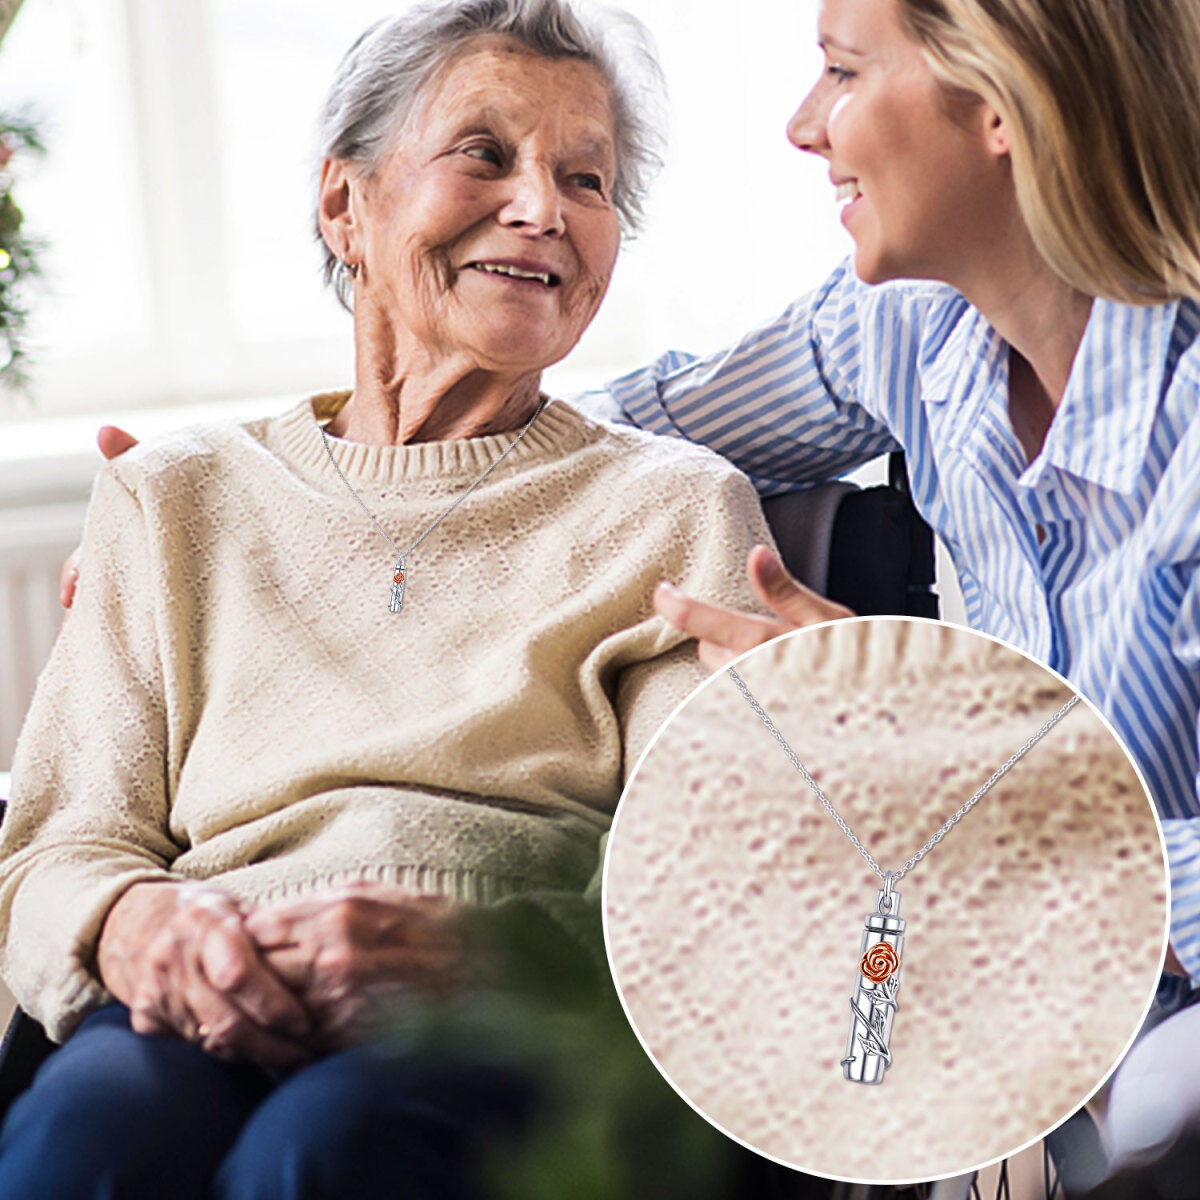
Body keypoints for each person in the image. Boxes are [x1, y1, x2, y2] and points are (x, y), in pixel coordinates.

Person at [0, 2, 775, 1196]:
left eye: (588, 179)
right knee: (85, 1140)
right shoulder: (175, 495)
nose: (542, 208)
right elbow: (62, 840)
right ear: (342, 206)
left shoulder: (676, 511)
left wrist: (482, 955)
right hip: (209, 983)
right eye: (485, 154)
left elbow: (711, 878)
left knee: (323, 1154)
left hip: (507, 1012)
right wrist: (136, 927)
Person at [594, 0, 1200, 991]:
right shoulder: (914, 322)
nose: (802, 125)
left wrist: (921, 751)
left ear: (1003, 102)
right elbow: (626, 432)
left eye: (842, 71)